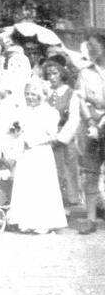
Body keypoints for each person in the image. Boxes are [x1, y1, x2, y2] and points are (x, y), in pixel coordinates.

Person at [8, 79, 67, 234]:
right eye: (27, 94)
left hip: (41, 152)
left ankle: (44, 222)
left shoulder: (50, 112)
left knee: (41, 186)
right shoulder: (22, 111)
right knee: (26, 185)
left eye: (34, 94)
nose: (30, 97)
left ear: (41, 95)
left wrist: (34, 142)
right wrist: (15, 134)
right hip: (25, 153)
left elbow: (54, 136)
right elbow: (16, 131)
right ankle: (26, 220)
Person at [75, 32, 105, 234]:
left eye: (94, 45)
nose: (91, 49)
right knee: (91, 173)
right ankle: (91, 219)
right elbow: (81, 99)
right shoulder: (85, 73)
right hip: (92, 128)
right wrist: (90, 122)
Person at [42, 58, 81, 209]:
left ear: (62, 74)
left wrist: (60, 138)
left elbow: (73, 119)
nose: (52, 77)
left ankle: (69, 204)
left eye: (55, 73)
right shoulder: (48, 94)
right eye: (49, 74)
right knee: (52, 170)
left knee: (67, 170)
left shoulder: (71, 94)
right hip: (48, 138)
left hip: (64, 139)